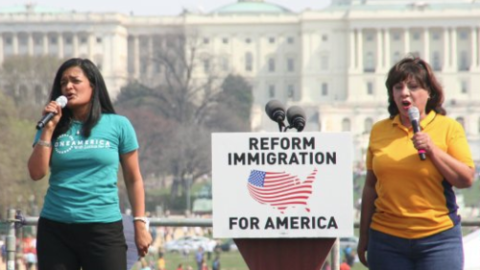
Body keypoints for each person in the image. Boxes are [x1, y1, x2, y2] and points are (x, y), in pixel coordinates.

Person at [27, 58, 152, 270]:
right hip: (56, 228)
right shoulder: (52, 125)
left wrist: (140, 223)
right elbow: (37, 173)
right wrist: (48, 130)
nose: (68, 86)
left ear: (92, 85)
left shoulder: (118, 125)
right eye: (63, 82)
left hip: (103, 228)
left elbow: (134, 178)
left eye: (75, 80)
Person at [357, 56, 475, 270]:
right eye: (398, 87)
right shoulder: (379, 130)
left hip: (438, 239)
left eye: (413, 87)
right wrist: (364, 235)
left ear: (429, 92)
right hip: (386, 240)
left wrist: (432, 150)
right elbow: (370, 186)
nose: (404, 93)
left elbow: (466, 178)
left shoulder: (449, 128)